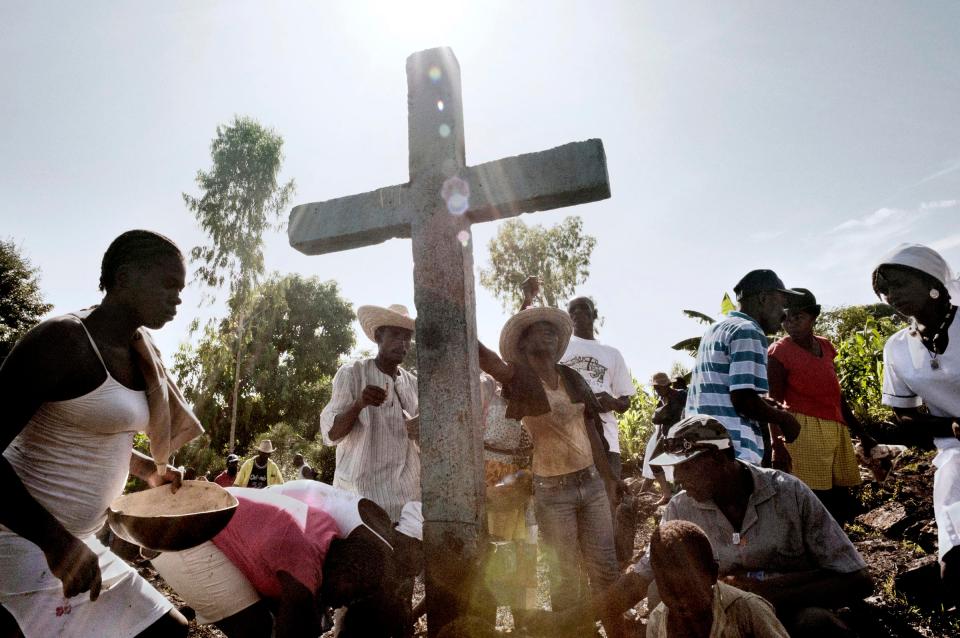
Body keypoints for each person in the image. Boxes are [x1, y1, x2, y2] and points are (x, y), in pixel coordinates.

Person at [0, 229, 202, 637]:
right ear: (125, 277)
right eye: (169, 284)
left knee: (170, 631)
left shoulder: (140, 353)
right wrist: (55, 543)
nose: (178, 298)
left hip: (79, 543)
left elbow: (96, 432)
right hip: (21, 541)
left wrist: (148, 471)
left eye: (181, 289)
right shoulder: (61, 342)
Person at [478, 306, 624, 637]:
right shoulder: (519, 378)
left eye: (553, 330)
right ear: (523, 342)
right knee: (567, 576)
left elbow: (592, 429)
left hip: (591, 483)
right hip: (552, 492)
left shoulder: (572, 377)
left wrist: (609, 480)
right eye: (540, 329)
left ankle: (618, 632)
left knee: (605, 569)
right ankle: (578, 633)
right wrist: (458, 318)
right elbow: (487, 360)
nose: (551, 333)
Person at [151, 484, 400, 638]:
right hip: (180, 535)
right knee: (256, 629)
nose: (346, 602)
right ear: (348, 570)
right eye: (353, 593)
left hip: (190, 520)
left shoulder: (327, 532)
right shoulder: (302, 566)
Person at [871, 243, 960, 604]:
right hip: (953, 449)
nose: (892, 296)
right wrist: (949, 427)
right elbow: (903, 414)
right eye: (885, 289)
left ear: (932, 282)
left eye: (900, 285)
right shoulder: (897, 347)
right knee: (953, 549)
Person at [767, 288, 876, 521]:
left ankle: (839, 548)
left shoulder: (825, 347)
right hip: (803, 430)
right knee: (816, 498)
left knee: (840, 495)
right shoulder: (779, 352)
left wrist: (862, 433)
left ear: (813, 317)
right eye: (786, 317)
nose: (791, 323)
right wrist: (777, 444)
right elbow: (773, 404)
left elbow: (836, 394)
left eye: (798, 317)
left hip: (835, 428)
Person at [685, 269, 802, 464]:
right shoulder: (748, 330)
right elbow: (743, 400)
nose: (784, 314)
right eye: (782, 303)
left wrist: (764, 405)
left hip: (704, 447)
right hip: (732, 450)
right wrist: (784, 419)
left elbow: (726, 390)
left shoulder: (716, 329)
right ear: (763, 298)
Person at [320, 304, 419, 523]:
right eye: (395, 335)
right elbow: (332, 434)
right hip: (359, 498)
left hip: (406, 502)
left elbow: (425, 442)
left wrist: (420, 430)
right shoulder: (352, 374)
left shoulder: (413, 384)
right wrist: (359, 404)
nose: (402, 344)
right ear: (378, 337)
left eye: (407, 337)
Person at [646, 520, 789, 638]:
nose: (680, 600)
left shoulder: (748, 610)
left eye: (689, 589)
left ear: (713, 574)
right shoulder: (658, 621)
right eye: (669, 590)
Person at [559, 295, 635, 480]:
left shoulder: (612, 353)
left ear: (595, 314)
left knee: (608, 498)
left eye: (583, 308)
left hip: (606, 440)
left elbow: (625, 402)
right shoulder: (560, 349)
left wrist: (612, 403)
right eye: (572, 310)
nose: (577, 313)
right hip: (568, 438)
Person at [641, 371, 685, 505]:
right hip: (667, 436)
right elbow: (659, 423)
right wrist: (658, 439)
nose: (657, 390)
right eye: (655, 388)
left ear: (667, 385)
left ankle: (682, 495)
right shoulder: (660, 402)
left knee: (681, 466)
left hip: (680, 435)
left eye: (659, 387)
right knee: (654, 462)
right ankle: (667, 494)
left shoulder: (681, 395)